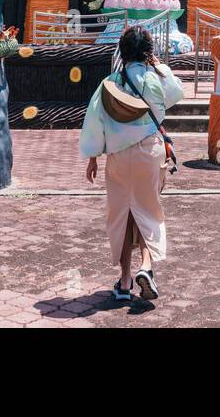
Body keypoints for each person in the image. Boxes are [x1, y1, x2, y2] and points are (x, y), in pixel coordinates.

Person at [80, 26, 184, 301]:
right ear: (148, 51)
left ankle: (125, 283)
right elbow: (176, 94)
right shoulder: (157, 78)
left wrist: (92, 157)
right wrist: (159, 65)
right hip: (150, 154)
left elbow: (95, 121)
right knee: (149, 211)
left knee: (122, 215)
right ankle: (146, 268)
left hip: (117, 157)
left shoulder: (110, 83)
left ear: (122, 50)